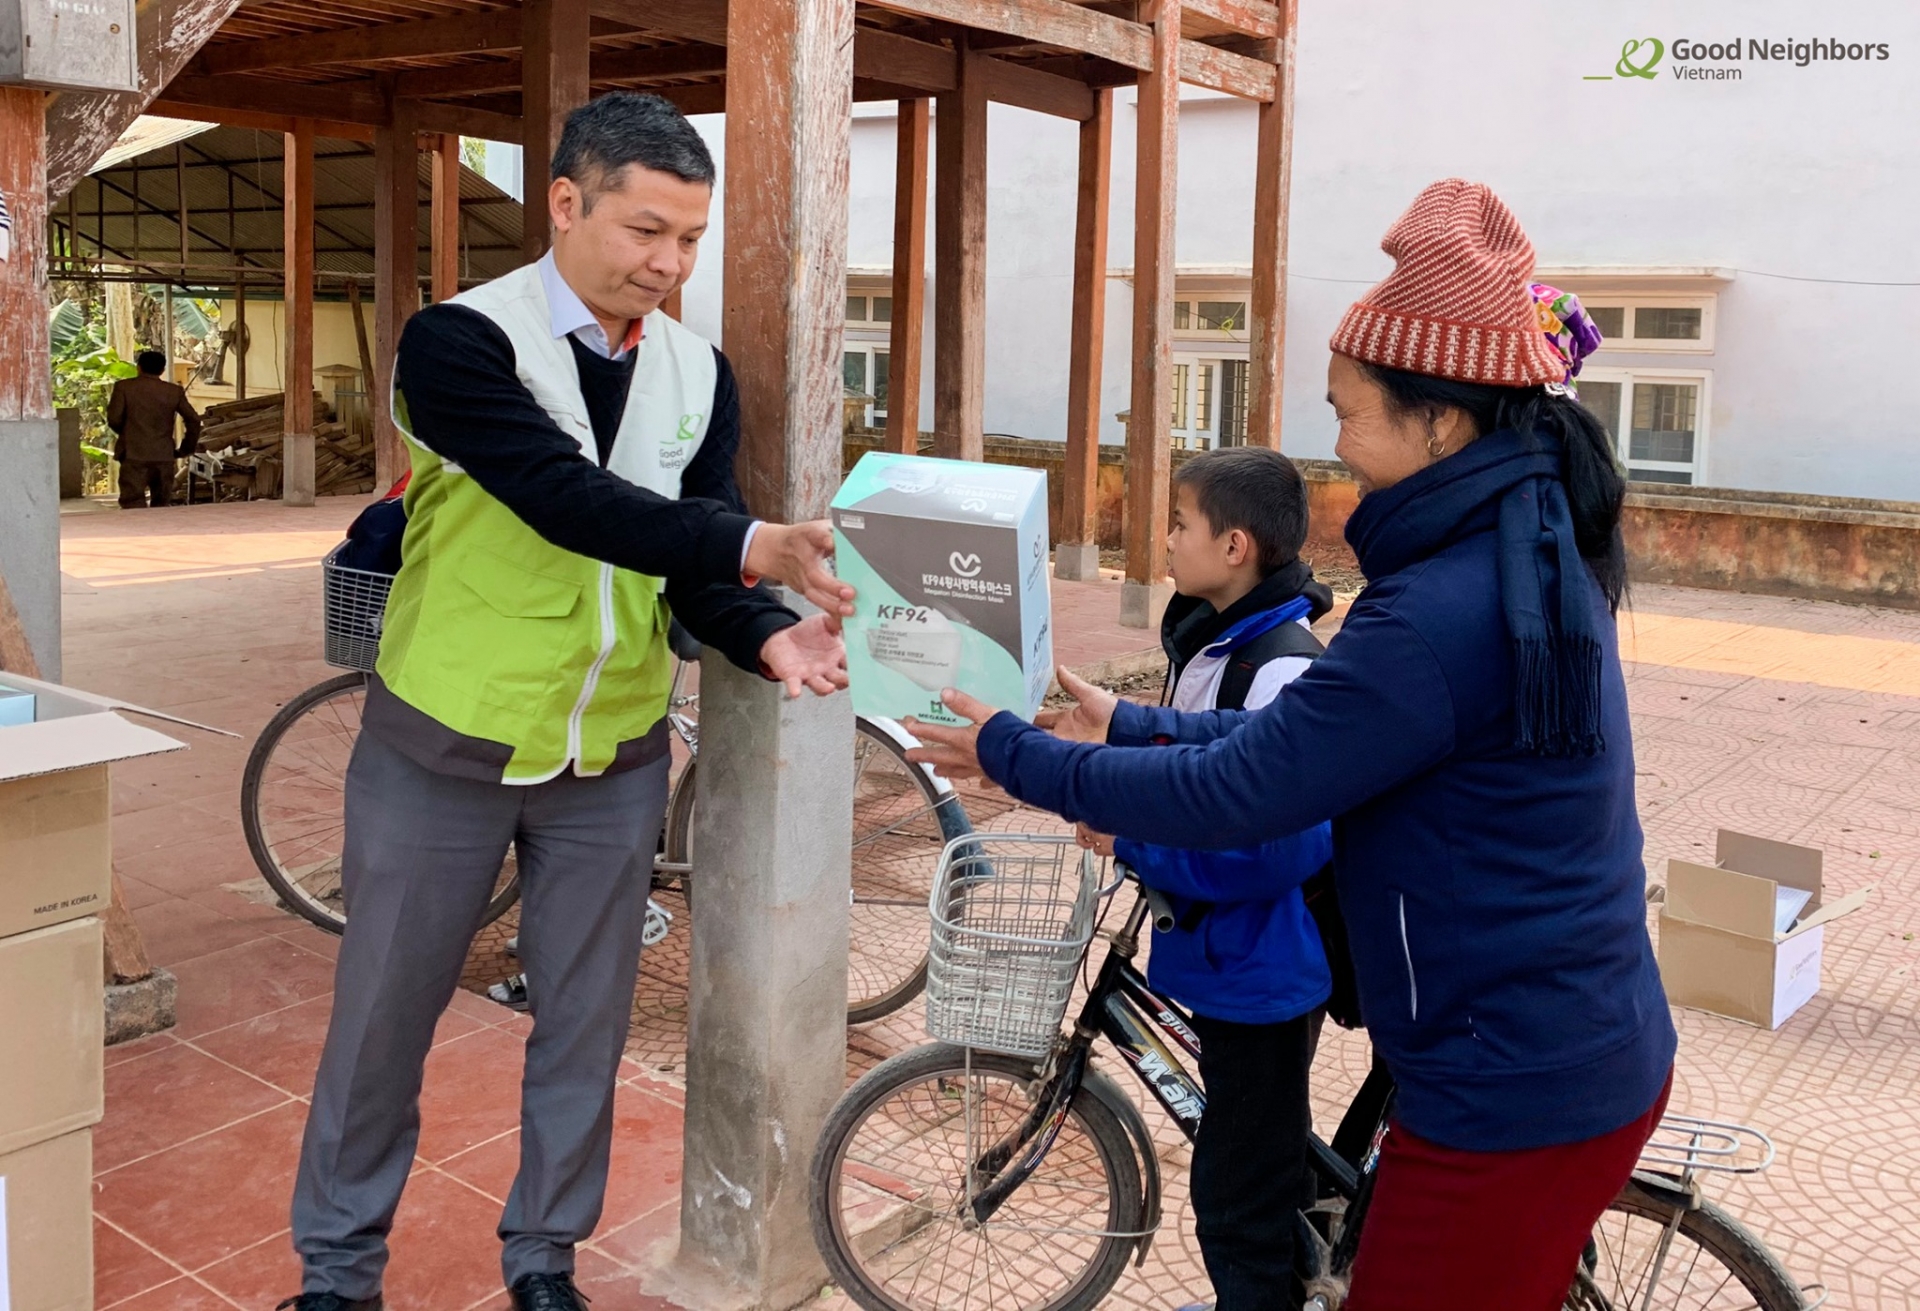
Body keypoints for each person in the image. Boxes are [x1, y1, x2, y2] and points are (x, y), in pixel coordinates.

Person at [904, 179, 1676, 1311]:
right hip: (1560, 1040)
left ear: (1442, 420)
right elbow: (1320, 738)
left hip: (1510, 1080)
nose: (1339, 445)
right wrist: (1131, 721)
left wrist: (1019, 756)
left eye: (1349, 411)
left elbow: (1253, 783)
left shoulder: (1440, 608)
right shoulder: (1524, 550)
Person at [283, 93, 853, 1311]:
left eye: (690, 240)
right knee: (383, 1021)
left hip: (611, 763)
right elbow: (562, 498)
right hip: (444, 746)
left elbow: (688, 564)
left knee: (583, 1029)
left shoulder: (697, 370)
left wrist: (767, 641)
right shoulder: (458, 344)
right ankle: (338, 1273)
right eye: (648, 229)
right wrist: (755, 544)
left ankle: (544, 1261)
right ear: (564, 203)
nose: (669, 262)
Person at [1076, 447, 1334, 1311]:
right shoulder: (1210, 638)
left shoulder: (1281, 665)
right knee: (1252, 1161)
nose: (1166, 539)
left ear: (1235, 545)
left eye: (1179, 522)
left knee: (1239, 1203)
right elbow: (1191, 766)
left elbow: (1270, 846)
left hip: (1262, 970)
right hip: (1226, 956)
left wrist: (1132, 840)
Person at [105, 349, 200, 508]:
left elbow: (114, 419)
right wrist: (185, 448)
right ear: (162, 370)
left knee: (132, 503)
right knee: (161, 504)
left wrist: (128, 434)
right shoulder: (173, 391)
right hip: (163, 454)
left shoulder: (123, 387)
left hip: (133, 454)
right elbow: (194, 420)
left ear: (139, 367)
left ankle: (136, 531)